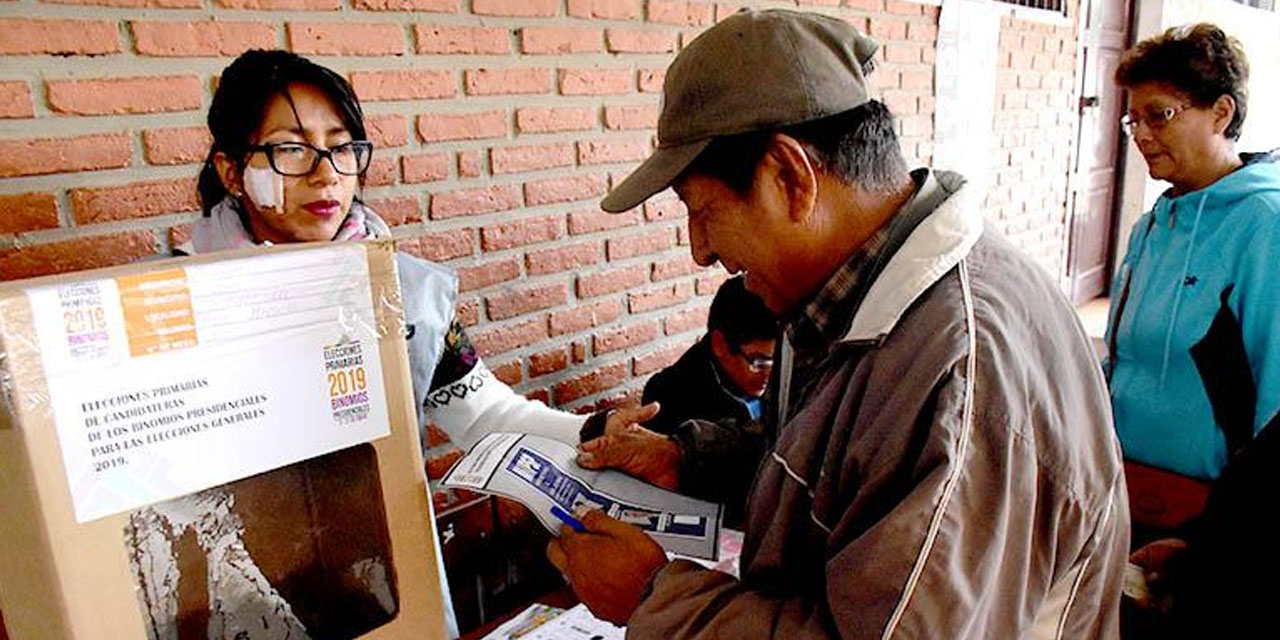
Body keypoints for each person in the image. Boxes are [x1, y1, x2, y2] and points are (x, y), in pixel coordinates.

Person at [548, 9, 1129, 638]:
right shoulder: (837, 296)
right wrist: (687, 460)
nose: (700, 250)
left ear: (790, 177)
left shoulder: (963, 374)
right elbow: (839, 468)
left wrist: (654, 599)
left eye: (702, 210)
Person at [187, 49, 653, 638]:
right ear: (232, 171)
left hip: (383, 582)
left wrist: (592, 430)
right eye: (291, 149)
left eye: (341, 146)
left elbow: (484, 415)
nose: (326, 172)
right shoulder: (170, 307)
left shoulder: (402, 296)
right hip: (243, 586)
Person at [1106, 24, 1280, 634]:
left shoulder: (1267, 225)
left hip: (1212, 527)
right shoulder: (1153, 225)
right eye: (1134, 122)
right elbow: (1120, 362)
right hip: (1128, 502)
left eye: (1160, 115)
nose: (1142, 136)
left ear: (1221, 112)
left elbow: (1277, 410)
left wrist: (1219, 543)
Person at [629, 275, 776, 525]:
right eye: (759, 362)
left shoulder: (785, 375)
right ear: (720, 344)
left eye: (776, 360)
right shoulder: (670, 395)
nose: (770, 374)